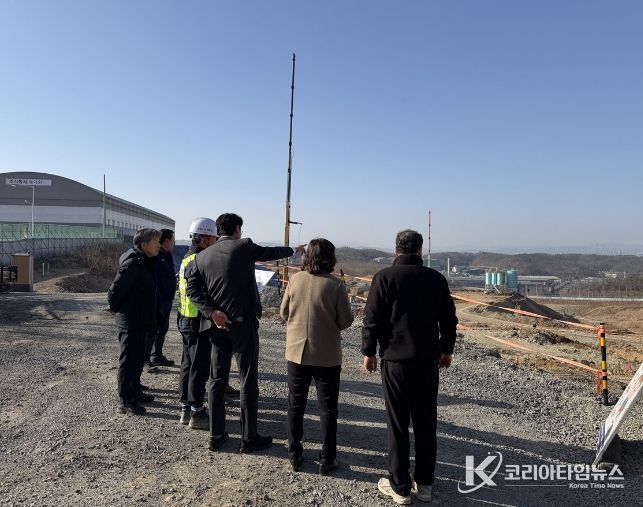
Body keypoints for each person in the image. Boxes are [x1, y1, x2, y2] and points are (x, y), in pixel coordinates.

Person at [186, 213, 305, 453]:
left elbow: (192, 290)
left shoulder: (201, 257)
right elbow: (270, 253)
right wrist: (293, 250)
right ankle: (249, 438)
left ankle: (216, 436)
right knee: (247, 380)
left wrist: (212, 312)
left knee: (216, 380)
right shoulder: (243, 246)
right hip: (243, 324)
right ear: (237, 229)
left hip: (217, 327)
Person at [361, 229, 458, 505]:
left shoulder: (384, 277)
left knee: (398, 424)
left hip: (395, 361)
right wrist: (446, 349)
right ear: (420, 250)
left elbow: (372, 319)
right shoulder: (436, 279)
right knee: (426, 423)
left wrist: (368, 352)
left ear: (396, 250)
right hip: (427, 362)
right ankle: (425, 484)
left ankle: (400, 487)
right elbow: (449, 320)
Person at [280, 238, 353, 474]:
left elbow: (283, 313)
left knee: (295, 405)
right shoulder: (336, 285)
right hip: (327, 355)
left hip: (296, 352)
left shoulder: (295, 279)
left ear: (307, 256)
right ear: (330, 258)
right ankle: (327, 459)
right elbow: (346, 320)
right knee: (328, 408)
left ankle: (294, 454)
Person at [177, 217, 240, 430]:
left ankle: (186, 409)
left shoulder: (186, 258)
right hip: (199, 322)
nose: (215, 242)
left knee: (188, 365)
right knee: (199, 368)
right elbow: (199, 292)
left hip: (186, 318)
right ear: (204, 238)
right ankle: (197, 412)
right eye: (213, 238)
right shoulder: (200, 259)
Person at [108, 228, 161, 415]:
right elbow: (115, 292)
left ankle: (135, 391)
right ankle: (125, 401)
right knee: (129, 360)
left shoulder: (145, 260)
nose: (159, 245)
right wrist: (119, 310)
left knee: (138, 359)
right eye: (156, 242)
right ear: (144, 244)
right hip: (131, 320)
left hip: (142, 319)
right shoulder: (133, 263)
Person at [146, 228, 176, 370]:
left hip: (167, 300)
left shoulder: (167, 255)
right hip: (158, 300)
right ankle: (147, 358)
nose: (174, 243)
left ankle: (157, 355)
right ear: (167, 240)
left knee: (162, 329)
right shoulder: (156, 257)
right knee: (153, 330)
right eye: (173, 240)